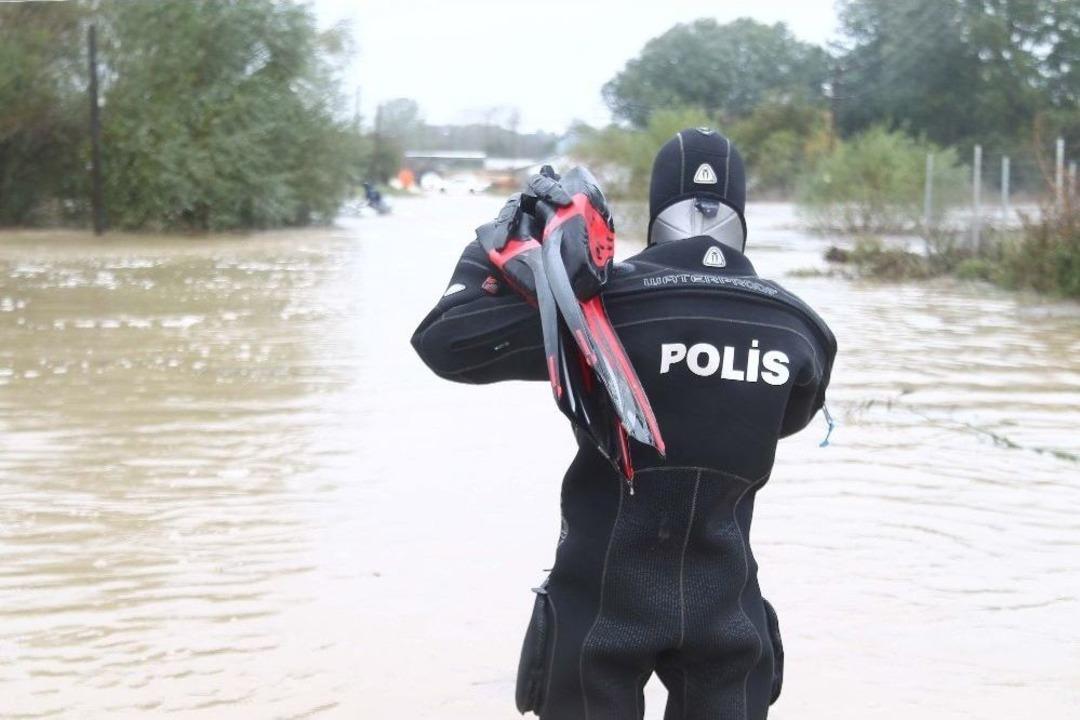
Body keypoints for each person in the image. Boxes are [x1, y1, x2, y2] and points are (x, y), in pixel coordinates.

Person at [411, 128, 837, 720]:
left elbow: (444, 343)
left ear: (654, 211)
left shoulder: (597, 306)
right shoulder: (800, 327)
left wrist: (508, 236)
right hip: (728, 612)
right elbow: (789, 417)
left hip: (599, 605)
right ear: (742, 212)